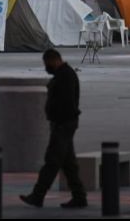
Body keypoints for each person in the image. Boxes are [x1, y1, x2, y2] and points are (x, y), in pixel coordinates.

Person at [20, 49, 88, 209]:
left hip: (63, 125)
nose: (46, 67)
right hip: (64, 124)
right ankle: (79, 197)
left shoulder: (65, 76)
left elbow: (66, 103)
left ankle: (38, 195)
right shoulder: (63, 75)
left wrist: (57, 120)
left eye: (47, 64)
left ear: (53, 60)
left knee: (52, 161)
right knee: (69, 164)